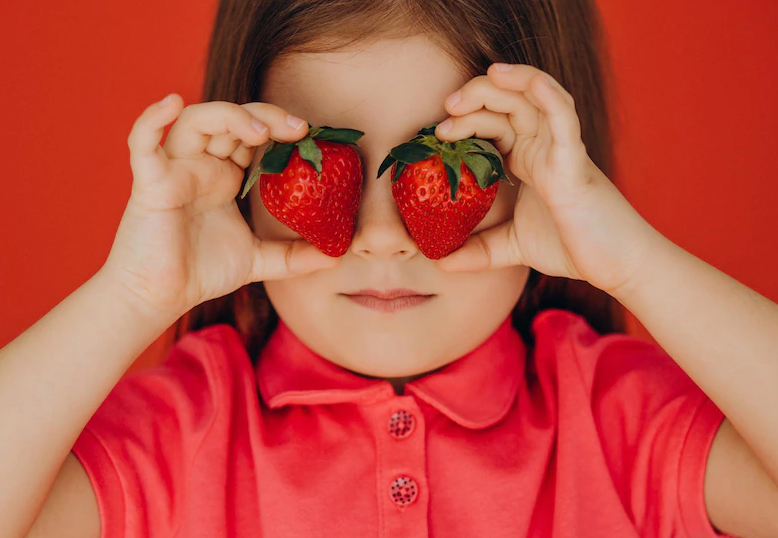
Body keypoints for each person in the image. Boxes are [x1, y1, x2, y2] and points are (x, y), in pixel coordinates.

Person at [2, 0, 777, 536]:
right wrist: (132, 295)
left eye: (454, 161)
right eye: (323, 162)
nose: (380, 239)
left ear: (539, 173)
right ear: (241, 175)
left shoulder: (621, 423)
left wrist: (630, 260)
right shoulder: (181, 432)